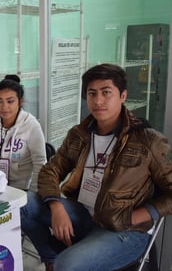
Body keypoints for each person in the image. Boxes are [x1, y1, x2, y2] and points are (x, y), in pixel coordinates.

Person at [20, 63, 172, 271]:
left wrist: (142, 215)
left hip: (122, 230)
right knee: (19, 203)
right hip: (83, 214)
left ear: (123, 96)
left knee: (68, 264)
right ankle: (50, 258)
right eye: (92, 93)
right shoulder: (79, 134)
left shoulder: (147, 140)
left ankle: (61, 261)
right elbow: (51, 170)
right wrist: (56, 206)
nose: (98, 100)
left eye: (106, 92)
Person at [0, 74, 46, 191]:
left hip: (20, 189)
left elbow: (40, 163)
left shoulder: (31, 126)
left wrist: (32, 195)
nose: (4, 107)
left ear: (20, 101)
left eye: (10, 101)